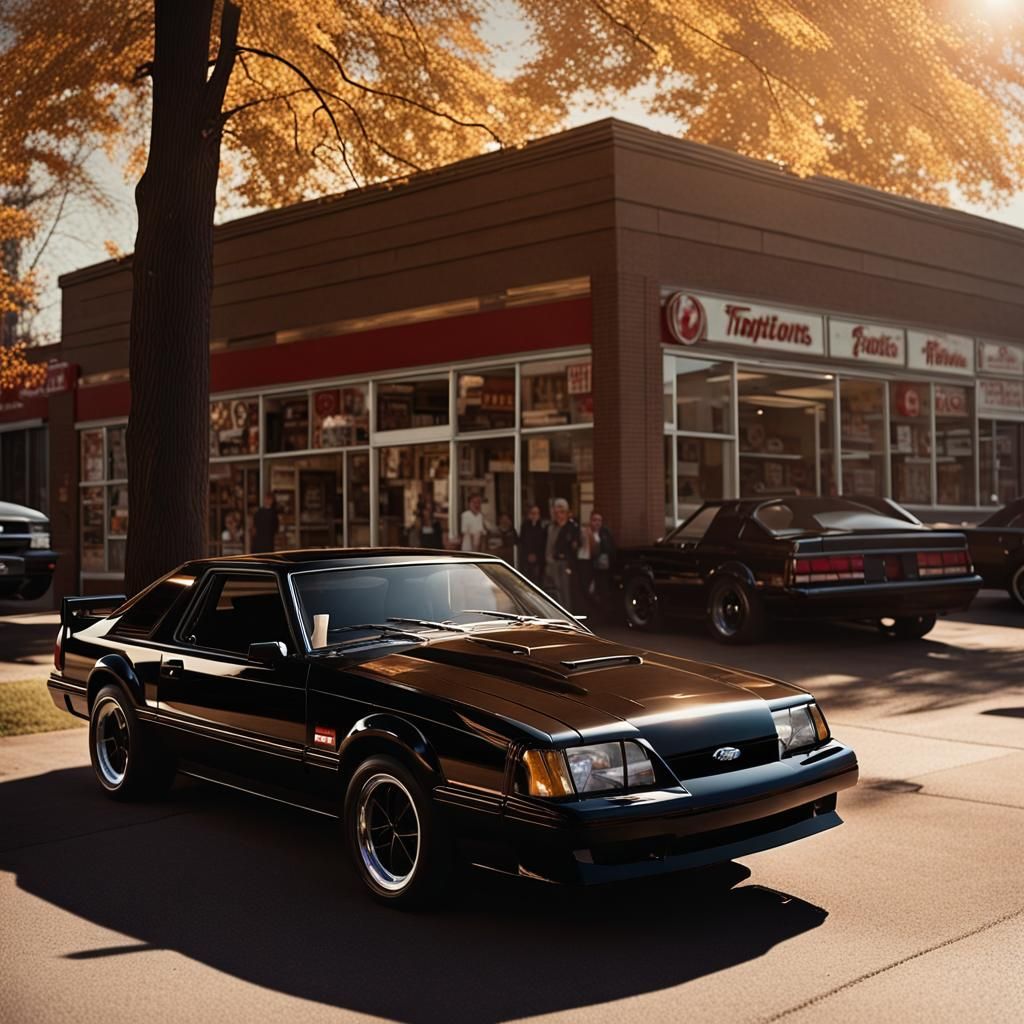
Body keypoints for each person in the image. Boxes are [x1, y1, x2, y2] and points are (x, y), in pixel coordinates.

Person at [576, 511, 616, 620]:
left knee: (602, 590)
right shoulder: (585, 532)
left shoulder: (605, 533)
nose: (597, 523)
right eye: (594, 520)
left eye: (599, 520)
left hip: (601, 567)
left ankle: (602, 615)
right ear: (590, 521)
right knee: (587, 590)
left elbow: (609, 548)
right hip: (588, 565)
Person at [542, 498, 579, 611]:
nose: (559, 515)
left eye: (561, 512)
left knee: (564, 592)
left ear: (567, 513)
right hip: (551, 563)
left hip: (564, 565)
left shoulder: (572, 528)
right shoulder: (551, 527)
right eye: (556, 512)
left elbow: (574, 547)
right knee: (552, 591)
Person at [518, 504, 547, 584]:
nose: (535, 515)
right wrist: (529, 554)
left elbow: (543, 543)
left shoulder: (542, 526)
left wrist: (535, 555)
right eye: (533, 513)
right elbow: (523, 541)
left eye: (537, 513)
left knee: (538, 581)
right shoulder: (525, 526)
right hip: (526, 557)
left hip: (539, 558)